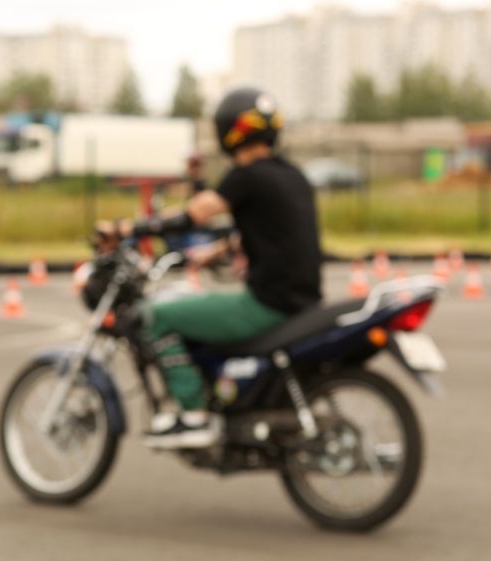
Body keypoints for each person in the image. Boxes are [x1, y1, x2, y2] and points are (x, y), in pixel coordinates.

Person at [99, 87, 323, 449]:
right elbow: (273, 231)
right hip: (302, 301)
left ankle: (193, 415)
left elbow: (195, 213)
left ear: (229, 131)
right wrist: (215, 250)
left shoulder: (247, 175)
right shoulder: (291, 175)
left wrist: (127, 230)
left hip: (266, 305)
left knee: (156, 315)